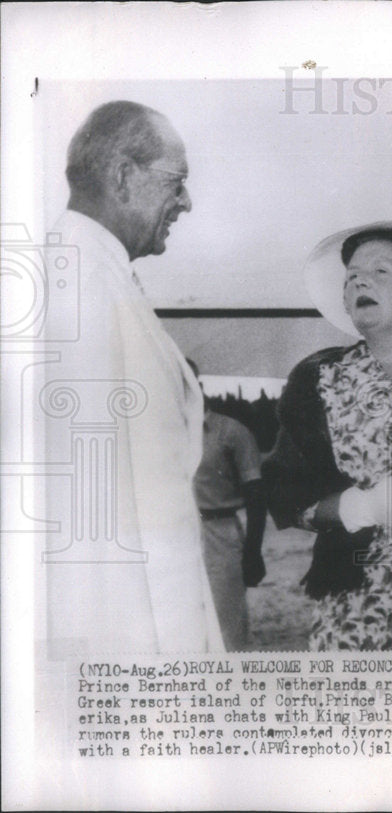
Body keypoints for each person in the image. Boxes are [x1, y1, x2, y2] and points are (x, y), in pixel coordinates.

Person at [44, 101, 223, 655]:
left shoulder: (94, 272)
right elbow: (97, 512)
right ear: (124, 176)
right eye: (178, 182)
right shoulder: (78, 285)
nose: (187, 203)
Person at [262, 222, 392, 650]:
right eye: (351, 277)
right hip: (355, 611)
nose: (360, 282)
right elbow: (285, 494)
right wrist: (358, 507)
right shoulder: (318, 377)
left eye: (381, 272)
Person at [187, 360, 267, 651]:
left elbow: (258, 498)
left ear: (198, 384)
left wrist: (253, 552)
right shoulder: (164, 435)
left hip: (220, 535)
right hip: (175, 538)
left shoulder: (231, 432)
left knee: (226, 627)